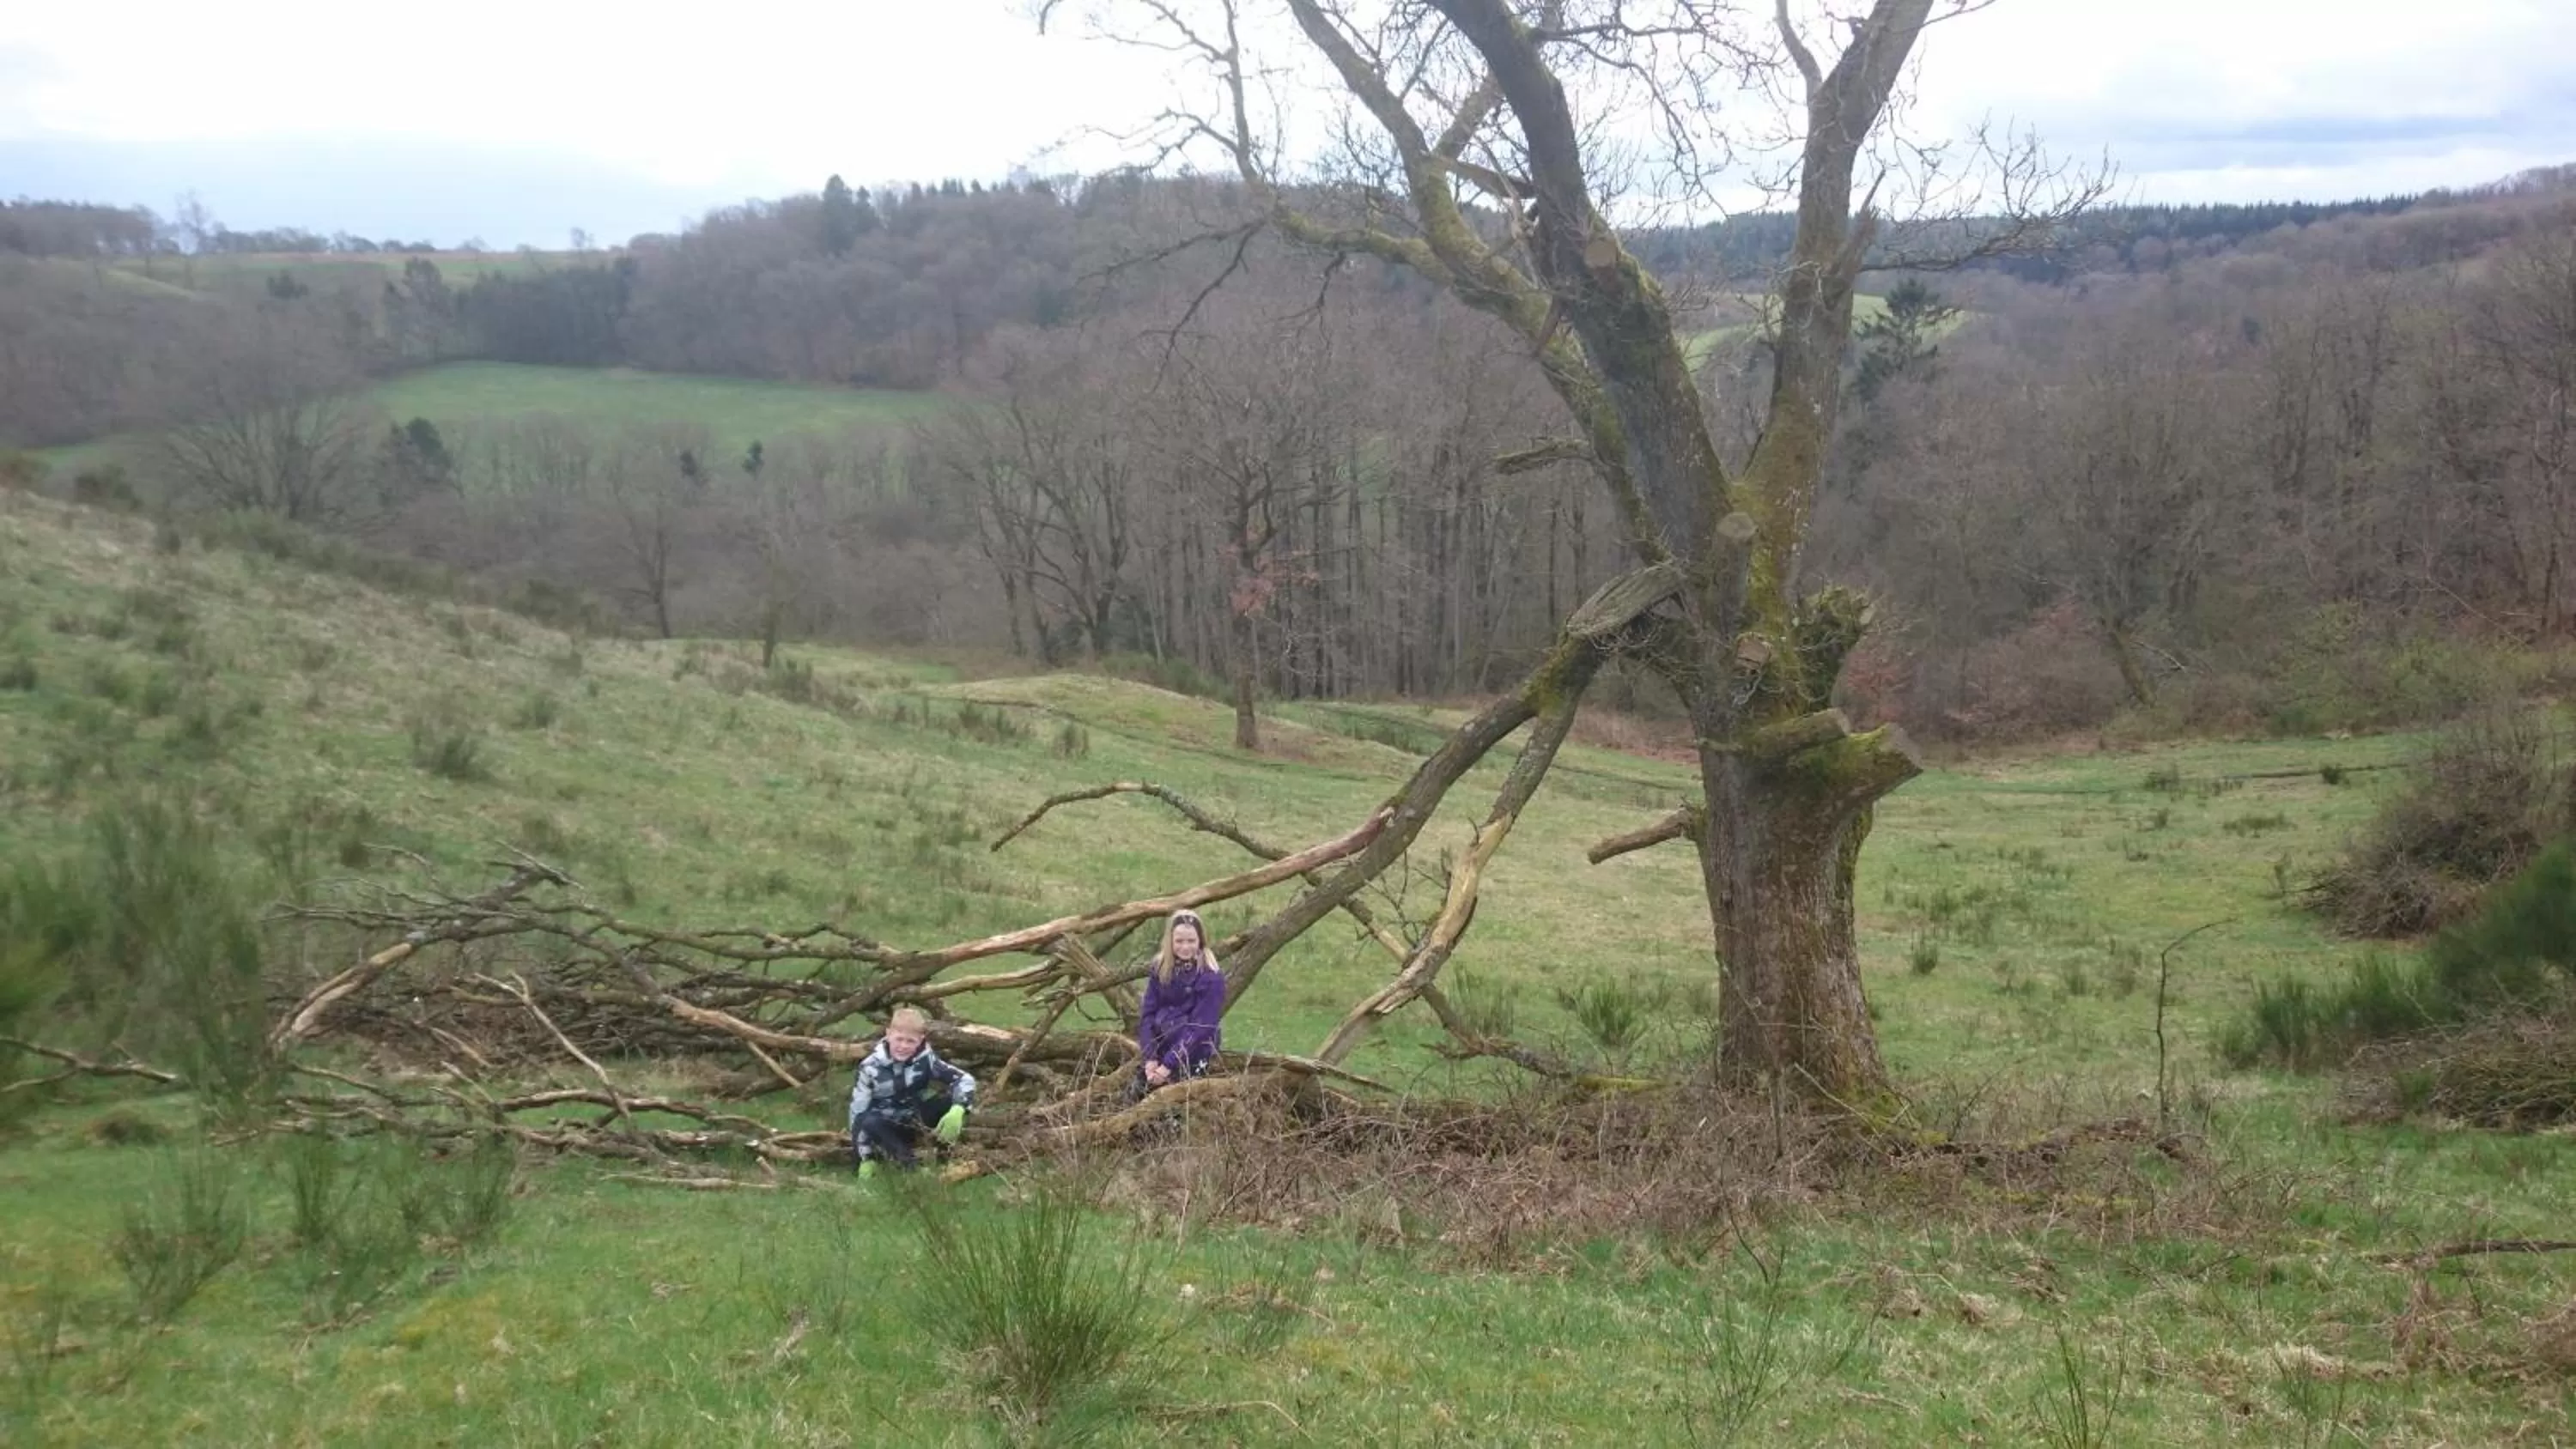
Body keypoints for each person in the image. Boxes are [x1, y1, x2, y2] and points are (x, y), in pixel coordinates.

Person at [848, 1006, 975, 1178]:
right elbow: (857, 1113)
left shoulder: (926, 1059)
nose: (903, 1046)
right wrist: (864, 1156)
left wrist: (959, 1108)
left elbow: (965, 1079)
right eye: (899, 1039)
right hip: (885, 1129)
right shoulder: (870, 1067)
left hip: (914, 1120)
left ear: (920, 1040)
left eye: (910, 1041)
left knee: (948, 1103)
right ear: (888, 1034)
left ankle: (945, 1156)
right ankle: (911, 1166)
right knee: (869, 1120)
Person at [1134, 908, 1224, 1096]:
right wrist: (1150, 1057)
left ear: (1200, 941)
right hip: (1161, 1042)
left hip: (1193, 1048)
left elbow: (1201, 1027)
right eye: (1179, 941)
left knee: (1174, 1105)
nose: (1185, 947)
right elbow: (1147, 1015)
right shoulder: (1160, 967)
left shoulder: (1211, 976)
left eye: (1191, 941)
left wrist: (1169, 1065)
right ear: (1170, 941)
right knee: (1136, 1095)